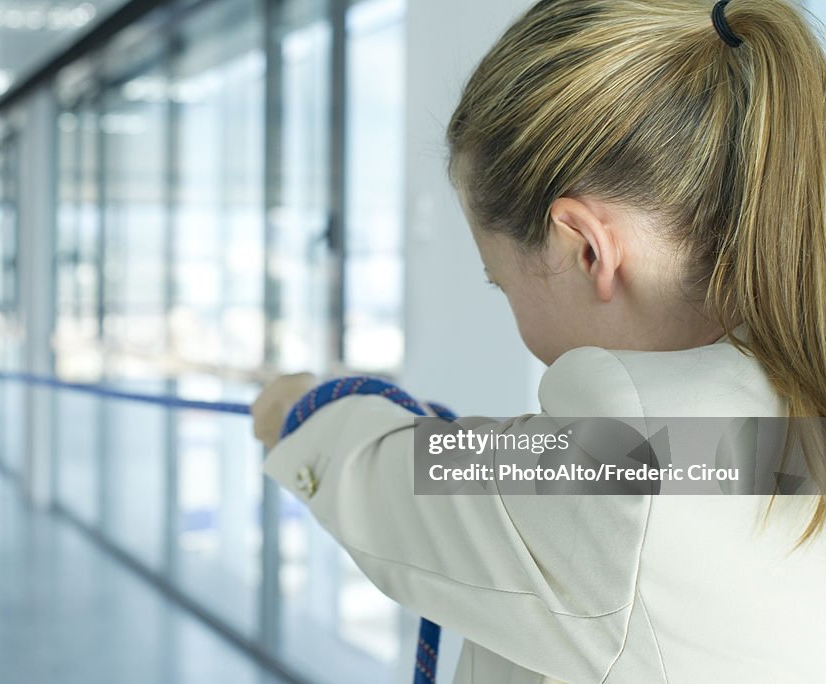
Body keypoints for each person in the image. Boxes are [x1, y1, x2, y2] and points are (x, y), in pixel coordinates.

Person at [252, 0, 826, 682]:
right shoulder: (780, 428)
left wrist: (299, 407)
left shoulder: (641, 455)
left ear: (586, 249)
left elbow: (399, 482)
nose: (507, 303)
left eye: (499, 281)